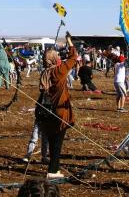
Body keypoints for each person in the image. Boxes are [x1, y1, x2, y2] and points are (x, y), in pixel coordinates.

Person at [36, 33, 78, 180]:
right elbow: (74, 58)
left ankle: (55, 168)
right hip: (59, 113)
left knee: (53, 141)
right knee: (57, 144)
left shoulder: (45, 72)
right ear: (54, 59)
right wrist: (70, 42)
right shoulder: (58, 71)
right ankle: (53, 171)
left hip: (47, 112)